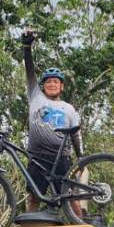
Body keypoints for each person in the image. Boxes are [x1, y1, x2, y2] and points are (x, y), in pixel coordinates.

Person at [22, 29, 82, 213]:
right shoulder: (35, 98)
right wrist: (26, 46)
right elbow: (29, 69)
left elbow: (76, 135)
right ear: (42, 85)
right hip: (37, 158)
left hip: (61, 158)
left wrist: (81, 159)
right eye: (48, 82)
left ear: (61, 86)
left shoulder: (69, 108)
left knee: (71, 199)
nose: (52, 84)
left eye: (56, 82)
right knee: (33, 198)